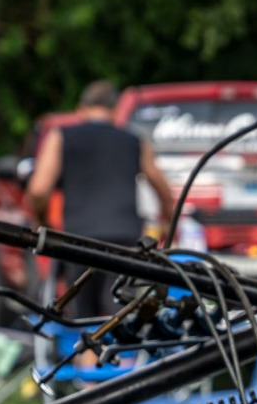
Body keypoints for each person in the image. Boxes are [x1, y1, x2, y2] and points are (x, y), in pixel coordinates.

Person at [25, 79, 175, 320]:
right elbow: (163, 189)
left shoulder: (62, 136)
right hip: (124, 239)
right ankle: (122, 357)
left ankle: (87, 358)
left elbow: (39, 190)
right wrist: (168, 222)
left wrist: (41, 220)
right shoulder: (134, 140)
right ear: (115, 111)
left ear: (80, 109)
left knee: (84, 320)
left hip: (79, 240)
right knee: (119, 317)